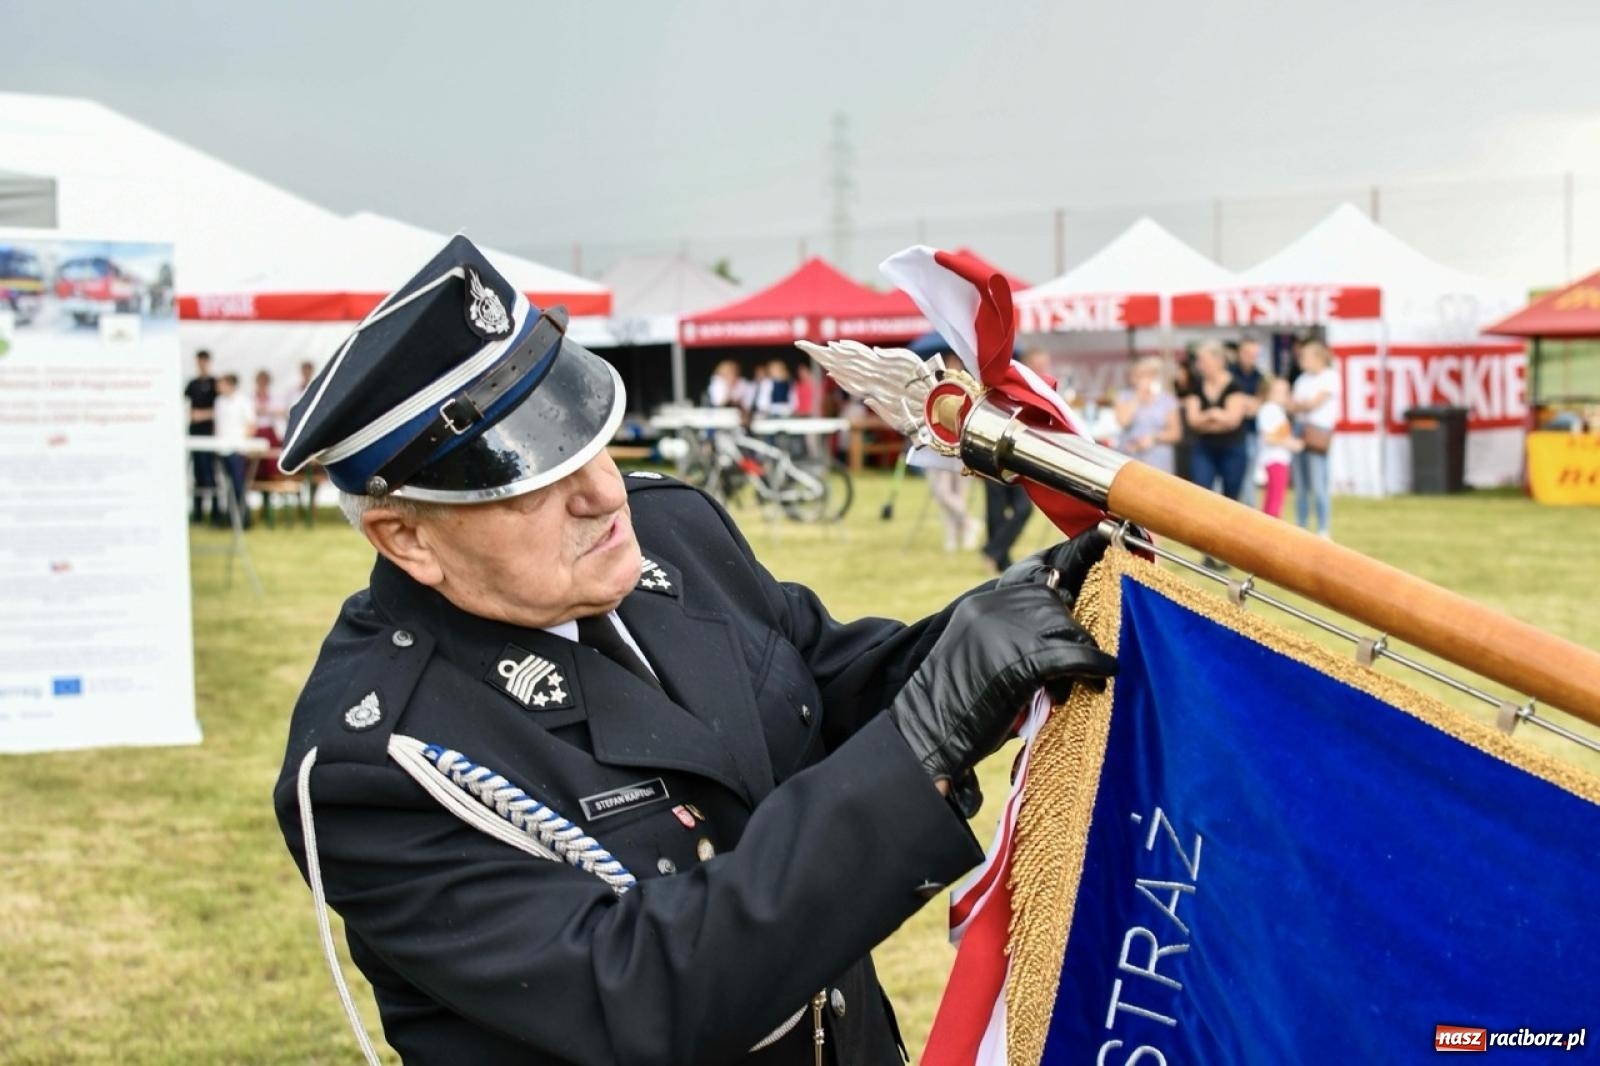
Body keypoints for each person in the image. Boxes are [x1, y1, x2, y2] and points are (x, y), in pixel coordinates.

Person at [271, 237, 1118, 1065]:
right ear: (406, 537)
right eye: (532, 478)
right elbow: (638, 990)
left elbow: (821, 690)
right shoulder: (378, 765)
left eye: (589, 440)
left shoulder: (669, 531)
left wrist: (1032, 610)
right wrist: (928, 736)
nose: (604, 493)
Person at [979, 349, 1049, 571]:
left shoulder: (1042, 389)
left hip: (1018, 455)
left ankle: (994, 551)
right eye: (1037, 364)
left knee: (1022, 508)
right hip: (993, 450)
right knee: (996, 506)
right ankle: (1000, 558)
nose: (1041, 369)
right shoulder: (1010, 385)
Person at [929, 354, 984, 551]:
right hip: (939, 447)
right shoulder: (934, 388)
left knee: (960, 493)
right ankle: (968, 525)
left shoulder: (970, 389)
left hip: (961, 449)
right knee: (942, 492)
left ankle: (956, 536)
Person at [1288, 340, 1341, 538]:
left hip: (1318, 431)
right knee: (1300, 483)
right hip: (1300, 429)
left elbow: (1313, 404)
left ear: (1318, 358)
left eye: (1305, 357)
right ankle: (1301, 523)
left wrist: (1301, 405)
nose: (1302, 360)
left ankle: (1323, 527)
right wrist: (1302, 405)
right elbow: (1294, 405)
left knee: (1318, 483)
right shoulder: (1302, 379)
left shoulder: (1330, 377)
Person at [1112, 356, 1181, 474]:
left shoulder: (1167, 400)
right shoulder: (1123, 397)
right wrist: (1137, 397)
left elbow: (1175, 433)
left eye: (1146, 375)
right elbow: (1123, 421)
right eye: (1137, 375)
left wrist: (1153, 438)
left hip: (1158, 459)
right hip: (1130, 457)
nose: (1141, 379)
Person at [213, 372, 256, 528]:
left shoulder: (243, 402)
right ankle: (230, 518)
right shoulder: (219, 402)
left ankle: (244, 518)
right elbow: (218, 426)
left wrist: (242, 443)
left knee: (239, 485)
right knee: (226, 485)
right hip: (222, 448)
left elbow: (251, 426)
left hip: (237, 449)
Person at [1255, 376, 1301, 520]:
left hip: (1279, 459)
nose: (1285, 395)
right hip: (1274, 460)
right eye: (1280, 391)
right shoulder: (1269, 409)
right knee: (1274, 501)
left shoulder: (1276, 410)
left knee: (1274, 499)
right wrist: (1291, 444)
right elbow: (1268, 436)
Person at [184, 350, 221, 524]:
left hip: (210, 433)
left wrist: (203, 415)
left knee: (211, 472)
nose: (202, 364)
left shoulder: (215, 383)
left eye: (204, 361)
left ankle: (215, 511)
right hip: (195, 433)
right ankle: (197, 512)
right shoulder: (192, 384)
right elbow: (186, 407)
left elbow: (221, 409)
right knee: (197, 472)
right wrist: (194, 415)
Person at [1231, 338, 1267, 506]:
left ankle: (1249, 514)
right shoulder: (1229, 374)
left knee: (1248, 478)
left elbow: (1260, 404)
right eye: (1248, 353)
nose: (1251, 358)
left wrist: (1240, 403)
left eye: (1255, 355)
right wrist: (1246, 403)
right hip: (1230, 434)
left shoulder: (1260, 377)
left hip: (1250, 433)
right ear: (1239, 353)